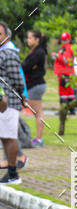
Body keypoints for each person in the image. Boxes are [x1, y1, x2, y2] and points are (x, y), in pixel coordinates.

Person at [0, 22, 28, 169]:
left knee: (9, 133)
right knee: (7, 132)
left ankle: (14, 165)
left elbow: (17, 77)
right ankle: (16, 159)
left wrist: (22, 95)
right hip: (4, 99)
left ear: (7, 36)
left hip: (10, 99)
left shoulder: (9, 51)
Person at [22, 29, 47, 146]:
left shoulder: (39, 52)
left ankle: (39, 139)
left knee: (38, 114)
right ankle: (38, 138)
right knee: (37, 113)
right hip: (35, 85)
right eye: (28, 38)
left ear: (37, 40)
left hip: (36, 85)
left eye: (30, 38)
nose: (28, 40)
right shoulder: (35, 51)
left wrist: (27, 67)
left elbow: (26, 67)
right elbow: (27, 66)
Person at [53, 32, 75, 113]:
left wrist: (57, 56)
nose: (63, 41)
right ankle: (71, 110)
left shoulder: (68, 48)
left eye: (64, 40)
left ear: (69, 40)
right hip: (65, 72)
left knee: (63, 92)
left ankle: (63, 110)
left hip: (65, 73)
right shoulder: (64, 48)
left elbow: (67, 60)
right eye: (62, 40)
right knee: (69, 92)